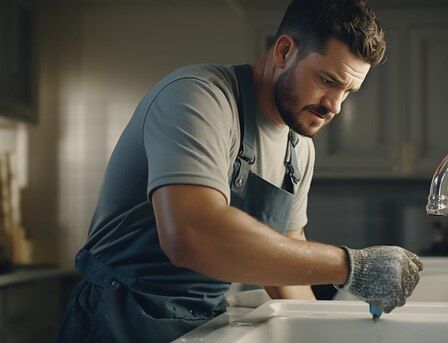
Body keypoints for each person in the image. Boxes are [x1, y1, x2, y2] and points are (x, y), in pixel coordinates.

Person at [57, 0, 423, 342]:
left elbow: (285, 267)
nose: (335, 107)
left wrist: (321, 334)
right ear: (284, 52)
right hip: (119, 319)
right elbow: (191, 234)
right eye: (327, 81)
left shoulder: (299, 149)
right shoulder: (199, 98)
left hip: (203, 324)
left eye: (348, 91)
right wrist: (351, 265)